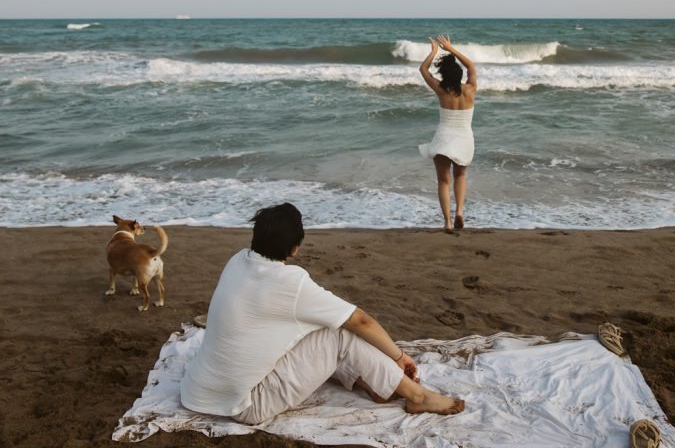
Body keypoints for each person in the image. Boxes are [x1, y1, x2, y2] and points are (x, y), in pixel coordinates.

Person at [180, 202, 465, 424]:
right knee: (337, 335)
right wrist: (400, 357)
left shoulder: (237, 261)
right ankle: (417, 396)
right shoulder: (291, 282)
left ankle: (369, 380)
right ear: (294, 249)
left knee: (318, 323)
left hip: (199, 390)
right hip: (245, 404)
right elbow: (361, 320)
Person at [419, 35, 477, 232]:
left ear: (443, 74)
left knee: (444, 181)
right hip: (464, 139)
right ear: (459, 74)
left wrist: (434, 51)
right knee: (460, 176)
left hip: (443, 138)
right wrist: (451, 49)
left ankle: (448, 222)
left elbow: (423, 70)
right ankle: (459, 211)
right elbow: (471, 67)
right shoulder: (470, 89)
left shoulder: (441, 90)